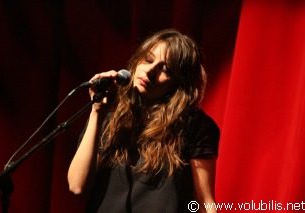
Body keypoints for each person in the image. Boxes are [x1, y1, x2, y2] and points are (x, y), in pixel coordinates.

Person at [67, 29, 220, 213]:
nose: (149, 71)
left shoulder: (194, 126)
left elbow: (205, 202)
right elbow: (77, 186)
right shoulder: (108, 120)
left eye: (165, 70)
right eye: (148, 60)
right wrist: (96, 112)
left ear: (180, 83)